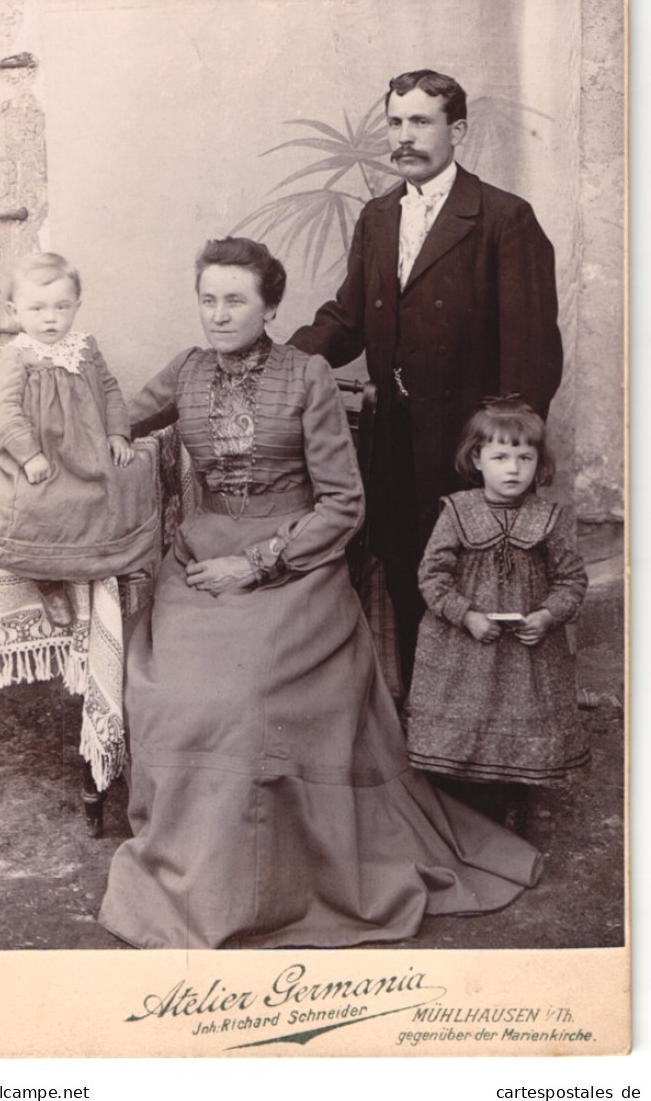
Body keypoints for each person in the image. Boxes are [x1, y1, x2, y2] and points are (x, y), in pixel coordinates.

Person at [98, 237, 543, 951]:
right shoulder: (184, 370)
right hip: (199, 560)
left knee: (246, 698)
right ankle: (195, 869)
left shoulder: (304, 375)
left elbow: (342, 504)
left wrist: (258, 563)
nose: (218, 314)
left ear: (270, 305)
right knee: (181, 693)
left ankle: (275, 880)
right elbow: (113, 419)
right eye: (207, 299)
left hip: (294, 563)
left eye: (235, 299)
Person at [291, 69, 564, 687]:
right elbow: (347, 319)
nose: (404, 136)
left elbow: (532, 350)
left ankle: (485, 752)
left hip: (470, 447)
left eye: (421, 121)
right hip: (392, 441)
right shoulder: (379, 216)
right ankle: (423, 724)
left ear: (457, 130)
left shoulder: (504, 218)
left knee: (479, 586)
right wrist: (281, 359)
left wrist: (507, 451)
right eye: (395, 122)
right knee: (411, 575)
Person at [403, 396, 589, 834]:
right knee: (466, 724)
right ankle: (462, 811)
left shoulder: (549, 518)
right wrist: (464, 614)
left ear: (539, 463)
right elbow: (432, 576)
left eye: (525, 457)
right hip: (463, 649)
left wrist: (547, 615)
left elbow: (572, 580)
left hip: (526, 654)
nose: (513, 469)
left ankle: (516, 803)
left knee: (521, 724)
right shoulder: (457, 512)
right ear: (476, 459)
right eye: (500, 456)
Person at [0, 252, 158, 626]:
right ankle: (46, 577)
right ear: (16, 311)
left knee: (122, 482)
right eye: (37, 308)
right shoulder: (15, 356)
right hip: (35, 448)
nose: (50, 318)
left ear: (76, 307)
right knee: (36, 502)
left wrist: (117, 433)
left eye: (62, 307)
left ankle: (114, 559)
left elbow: (110, 390)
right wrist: (29, 455)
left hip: (85, 447)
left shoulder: (85, 347)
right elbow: (7, 411)